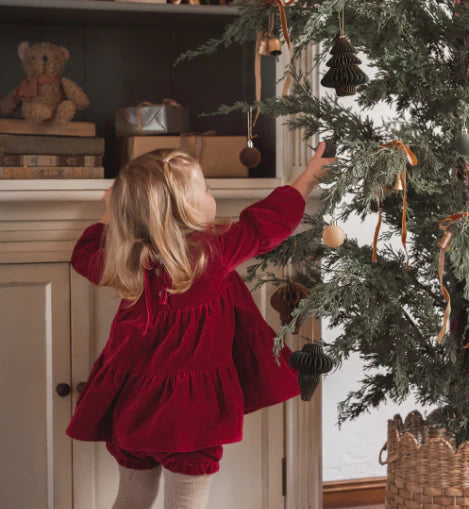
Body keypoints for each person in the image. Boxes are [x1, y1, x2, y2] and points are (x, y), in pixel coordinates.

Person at [65, 141, 336, 509]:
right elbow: (265, 224)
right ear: (184, 208)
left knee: (131, 495)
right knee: (187, 503)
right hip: (192, 416)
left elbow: (83, 256)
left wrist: (111, 213)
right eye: (206, 189)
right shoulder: (213, 252)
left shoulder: (123, 257)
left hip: (132, 406)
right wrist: (306, 178)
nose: (212, 195)